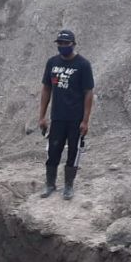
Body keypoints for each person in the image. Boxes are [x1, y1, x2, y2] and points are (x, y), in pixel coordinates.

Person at [38, 29, 95, 200]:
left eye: (66, 43)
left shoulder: (83, 65)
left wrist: (85, 120)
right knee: (53, 151)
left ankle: (69, 186)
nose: (63, 47)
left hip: (75, 118)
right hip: (57, 117)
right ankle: (50, 184)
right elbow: (46, 89)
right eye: (60, 44)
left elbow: (88, 93)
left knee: (73, 152)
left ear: (73, 44)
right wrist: (42, 116)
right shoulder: (52, 63)